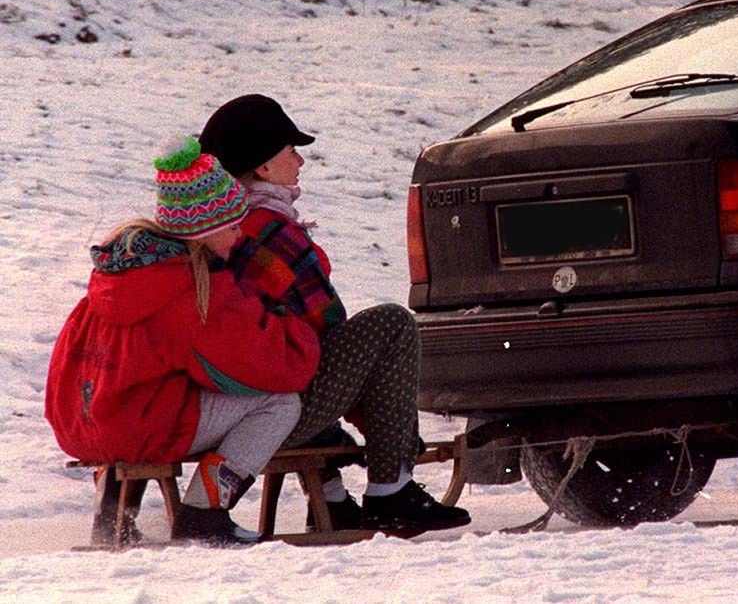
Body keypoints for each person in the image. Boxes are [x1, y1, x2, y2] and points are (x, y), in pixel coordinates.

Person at [200, 94, 470, 532]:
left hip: (224, 408)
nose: (301, 161)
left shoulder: (218, 227)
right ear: (264, 167)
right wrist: (388, 426)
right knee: (391, 324)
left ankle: (332, 498)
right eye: (291, 151)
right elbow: (328, 336)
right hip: (271, 415)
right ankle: (392, 490)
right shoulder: (271, 232)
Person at [45, 136, 321, 546]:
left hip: (85, 420)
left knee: (172, 386)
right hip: (136, 426)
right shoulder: (188, 291)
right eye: (231, 226)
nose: (238, 236)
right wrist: (297, 325)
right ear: (204, 230)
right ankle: (204, 511)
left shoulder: (123, 272)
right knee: (280, 404)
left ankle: (112, 510)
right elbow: (276, 364)